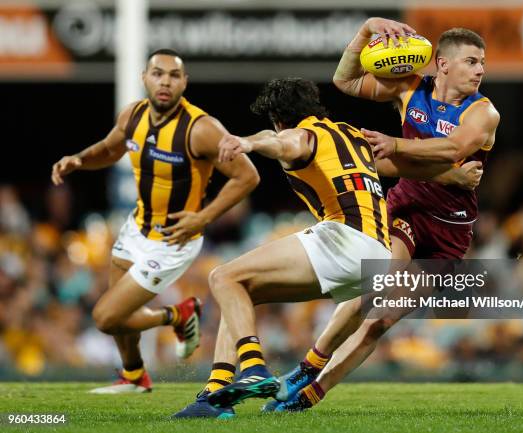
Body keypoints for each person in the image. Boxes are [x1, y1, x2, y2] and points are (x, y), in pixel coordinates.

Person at [171, 77, 481, 418]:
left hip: (344, 240)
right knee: (241, 295)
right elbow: (405, 167)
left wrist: (247, 143)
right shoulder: (353, 135)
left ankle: (255, 369)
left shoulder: (302, 134)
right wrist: (455, 178)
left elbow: (280, 142)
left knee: (222, 277)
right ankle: (215, 396)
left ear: (279, 117)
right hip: (376, 263)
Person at [265, 19, 499, 412]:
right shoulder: (410, 89)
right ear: (442, 64)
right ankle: (309, 366)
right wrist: (366, 31)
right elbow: (346, 81)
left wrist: (395, 144)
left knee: (382, 321)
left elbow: (451, 146)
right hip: (406, 205)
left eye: (482, 63)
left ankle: (308, 396)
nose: (480, 70)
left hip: (451, 228)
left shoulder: (484, 112)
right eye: (472, 61)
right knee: (373, 286)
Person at [50, 48, 259, 394]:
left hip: (174, 239)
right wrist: (78, 160)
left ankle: (178, 315)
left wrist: (203, 217)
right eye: (158, 73)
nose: (165, 81)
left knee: (106, 317)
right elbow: (110, 148)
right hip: (137, 227)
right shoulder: (133, 115)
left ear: (184, 82)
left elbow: (247, 177)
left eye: (174, 75)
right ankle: (134, 376)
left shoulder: (201, 128)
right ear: (144, 78)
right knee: (120, 317)